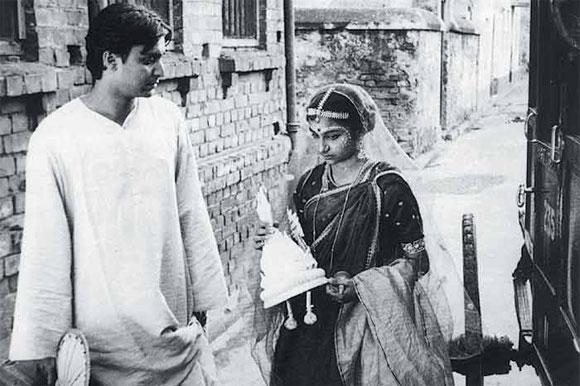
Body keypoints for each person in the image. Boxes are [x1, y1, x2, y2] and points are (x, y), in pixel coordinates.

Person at [8, 3, 227, 385]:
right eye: (149, 60)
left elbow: (191, 213)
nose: (160, 71)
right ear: (110, 60)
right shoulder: (58, 137)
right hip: (102, 347)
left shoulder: (167, 122)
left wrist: (208, 300)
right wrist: (41, 345)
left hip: (173, 331)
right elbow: (46, 247)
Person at [254, 83, 454, 385]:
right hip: (311, 312)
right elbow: (300, 247)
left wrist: (361, 286)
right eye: (315, 135)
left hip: (369, 320)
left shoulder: (387, 186)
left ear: (359, 131)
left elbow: (416, 262)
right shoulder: (309, 184)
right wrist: (272, 242)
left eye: (333, 136)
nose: (322, 147)